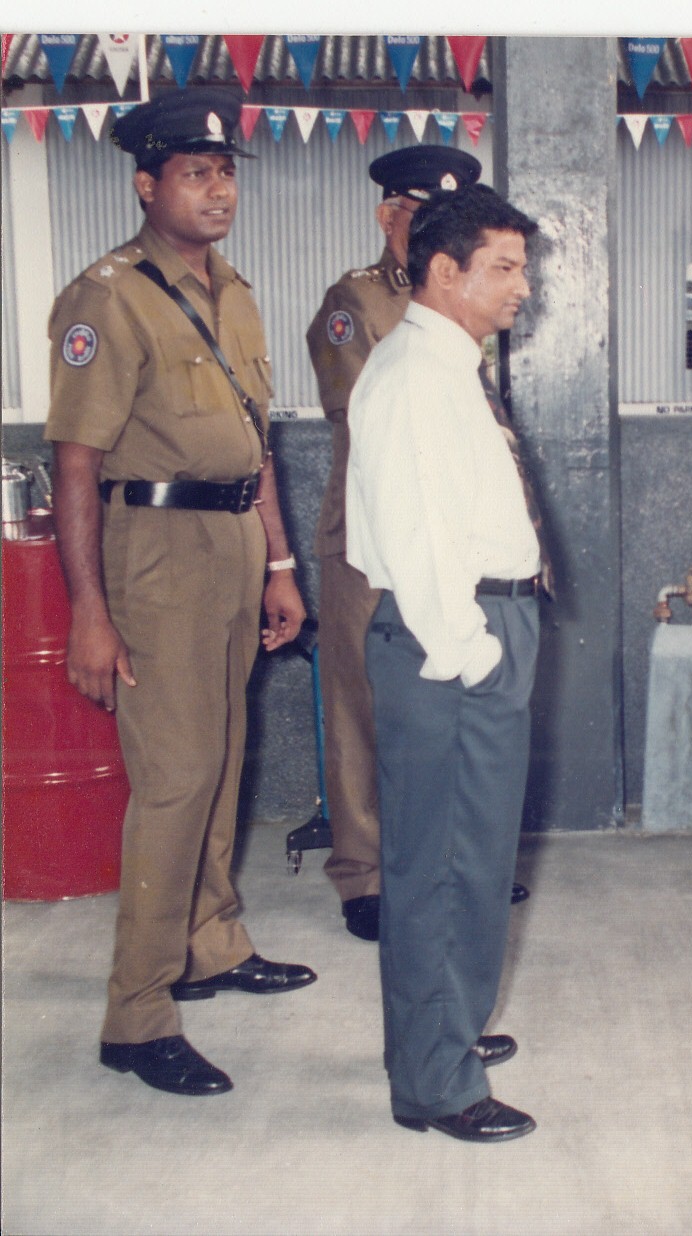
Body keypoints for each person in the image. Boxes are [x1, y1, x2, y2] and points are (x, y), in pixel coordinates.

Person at [45, 89, 316, 1098]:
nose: (218, 190)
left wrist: (279, 564)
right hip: (155, 554)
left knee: (224, 757)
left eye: (226, 172)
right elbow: (76, 463)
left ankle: (211, 942)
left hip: (234, 544)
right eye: (196, 173)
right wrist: (89, 610)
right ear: (145, 183)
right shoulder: (106, 298)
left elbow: (256, 444)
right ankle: (138, 1014)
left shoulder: (233, 292)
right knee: (174, 777)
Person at [346, 183, 543, 1142]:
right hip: (454, 644)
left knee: (467, 860)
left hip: (480, 631)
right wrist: (474, 657)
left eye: (522, 268)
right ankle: (436, 1082)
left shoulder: (445, 365)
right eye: (503, 268)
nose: (522, 288)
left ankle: (443, 1032)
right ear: (443, 270)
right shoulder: (415, 376)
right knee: (449, 865)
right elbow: (418, 542)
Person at [305, 145, 528, 942]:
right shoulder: (357, 302)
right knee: (364, 705)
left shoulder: (470, 295)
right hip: (376, 533)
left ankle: (446, 864)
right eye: (417, 211)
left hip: (453, 527)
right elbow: (372, 422)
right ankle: (364, 872)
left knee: (442, 717)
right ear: (388, 217)